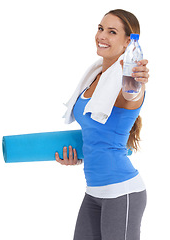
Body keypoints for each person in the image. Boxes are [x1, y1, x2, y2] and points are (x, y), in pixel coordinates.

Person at [55, 9, 149, 240]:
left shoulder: (128, 80)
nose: (102, 36)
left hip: (122, 191)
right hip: (93, 192)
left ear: (129, 41)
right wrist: (78, 156)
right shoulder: (96, 77)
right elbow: (96, 135)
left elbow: (132, 93)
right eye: (100, 28)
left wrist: (138, 79)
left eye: (112, 32)